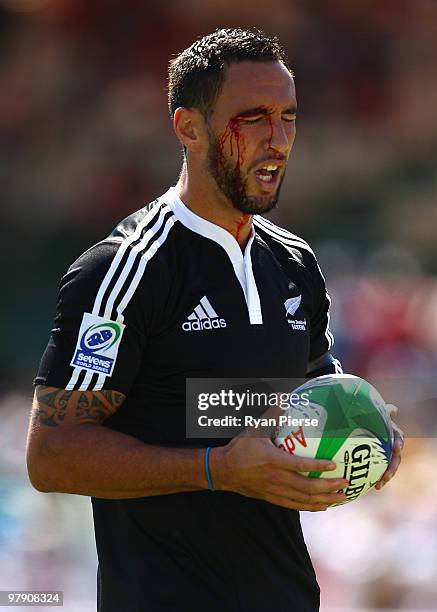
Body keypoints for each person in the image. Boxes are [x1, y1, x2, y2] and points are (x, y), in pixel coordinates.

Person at [27, 28, 402, 612]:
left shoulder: (296, 264)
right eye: (252, 118)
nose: (277, 140)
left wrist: (367, 434)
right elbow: (51, 455)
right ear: (188, 127)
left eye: (289, 116)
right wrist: (217, 468)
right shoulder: (125, 269)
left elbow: (315, 400)